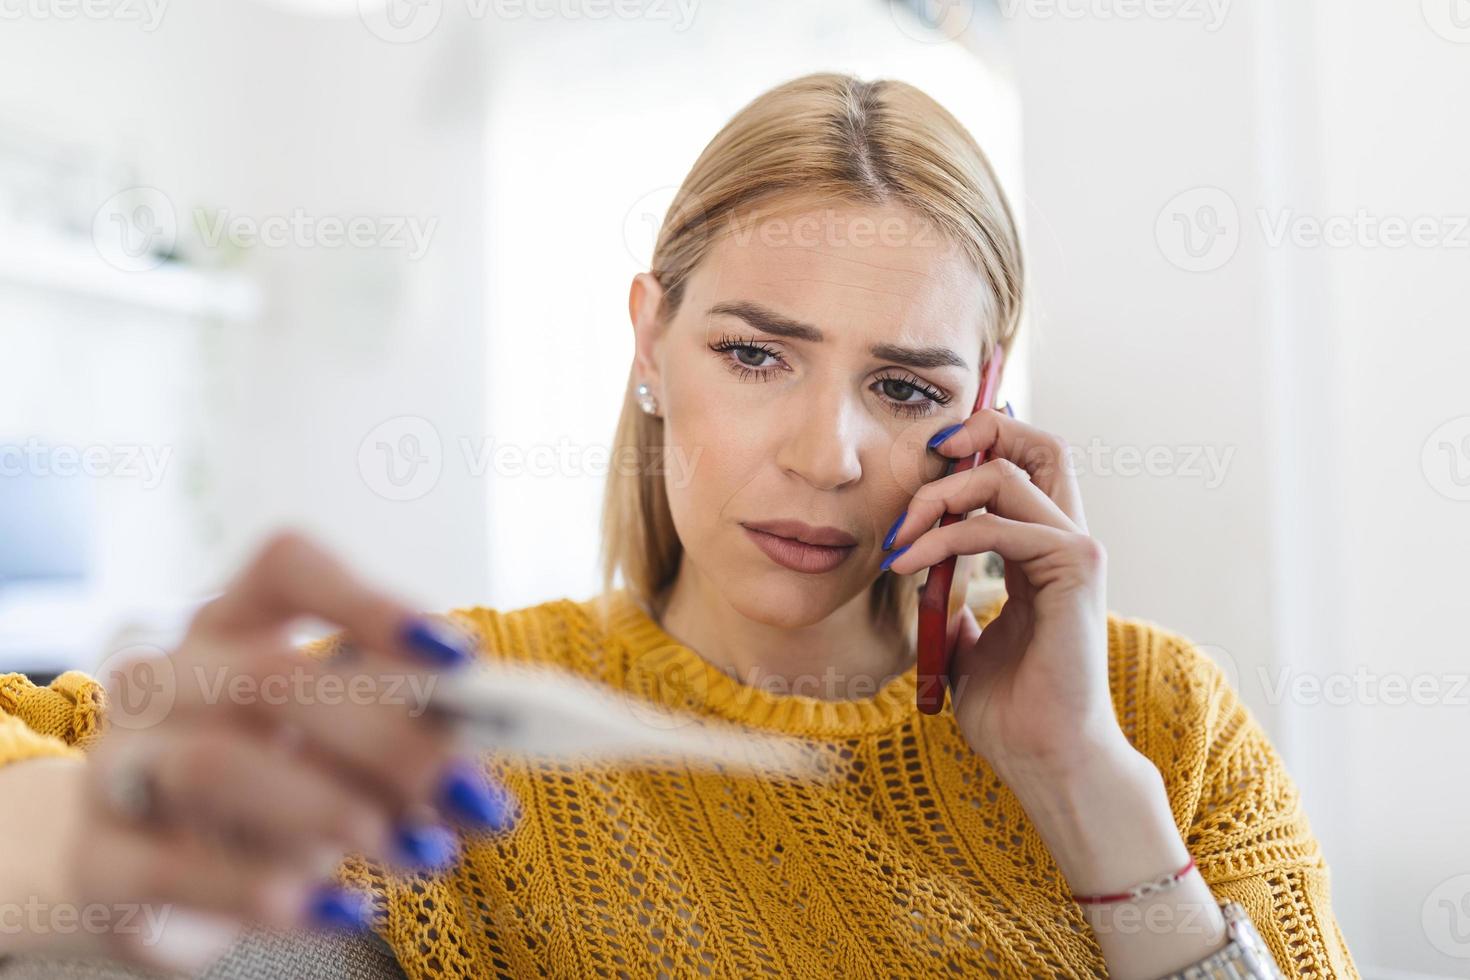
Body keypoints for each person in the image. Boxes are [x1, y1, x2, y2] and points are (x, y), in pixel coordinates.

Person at [0, 73, 1358, 979]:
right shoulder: (476, 713)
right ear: (651, 341)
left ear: (986, 403)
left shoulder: (1156, 720)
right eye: (755, 355)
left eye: (902, 387)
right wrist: (100, 823)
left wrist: (1084, 792)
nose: (827, 456)